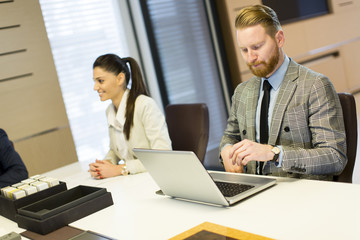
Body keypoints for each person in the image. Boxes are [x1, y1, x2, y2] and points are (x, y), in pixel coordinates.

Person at [219, 5, 347, 180]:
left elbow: (334, 157)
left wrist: (275, 153)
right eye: (244, 50)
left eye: (257, 47)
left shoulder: (315, 85)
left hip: (300, 195)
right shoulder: (242, 92)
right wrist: (226, 150)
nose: (250, 57)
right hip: (254, 192)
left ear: (279, 39)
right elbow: (230, 137)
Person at [89, 54, 172, 179]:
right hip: (133, 180)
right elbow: (115, 150)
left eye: (100, 81)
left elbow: (163, 157)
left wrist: (119, 169)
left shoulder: (145, 105)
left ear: (120, 79)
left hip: (155, 179)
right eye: (94, 81)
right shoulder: (110, 111)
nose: (95, 87)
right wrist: (103, 165)